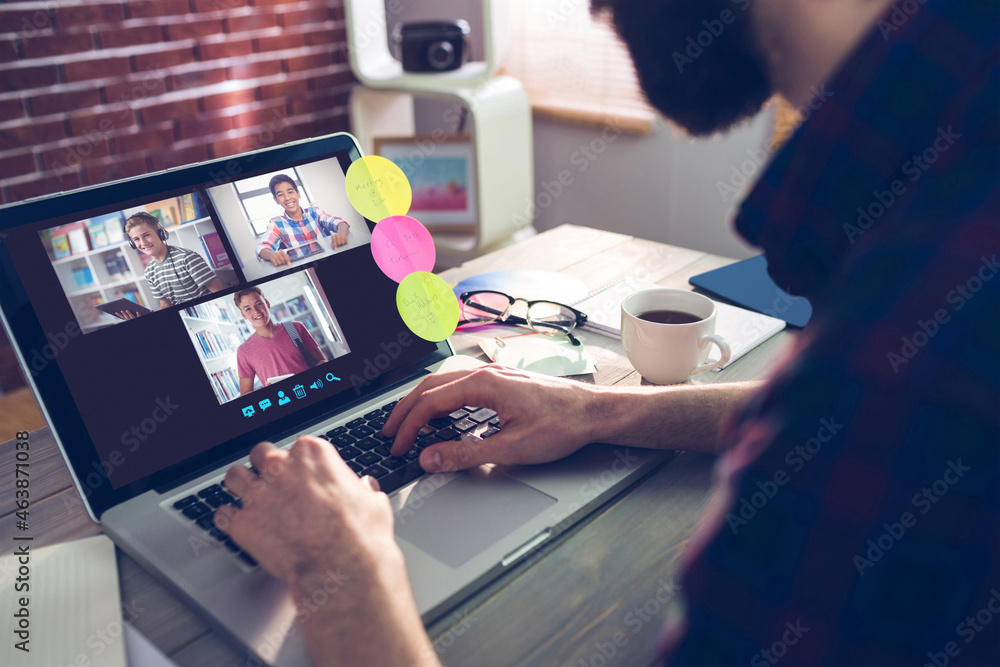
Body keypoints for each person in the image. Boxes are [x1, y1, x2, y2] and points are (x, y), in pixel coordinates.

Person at [214, 0, 999, 665]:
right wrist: (603, 411)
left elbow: (864, 411)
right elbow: (834, 425)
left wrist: (339, 574)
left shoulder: (907, 346)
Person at [118, 212, 225, 318]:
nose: (143, 243)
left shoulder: (186, 258)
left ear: (161, 234)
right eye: (136, 239)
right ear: (132, 243)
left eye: (146, 235)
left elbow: (220, 292)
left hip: (208, 314)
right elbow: (165, 304)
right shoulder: (149, 271)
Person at [234, 286, 326, 395]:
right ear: (243, 315)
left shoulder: (295, 328)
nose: (256, 311)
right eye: (248, 309)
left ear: (267, 303)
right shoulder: (244, 351)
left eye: (258, 303)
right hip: (282, 402)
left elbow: (323, 361)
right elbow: (245, 393)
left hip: (313, 391)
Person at [256, 174, 350, 266]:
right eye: (280, 195)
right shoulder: (276, 224)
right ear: (276, 200)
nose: (287, 198)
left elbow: (340, 223)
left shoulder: (314, 212)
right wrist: (273, 255)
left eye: (290, 192)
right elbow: (262, 248)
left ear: (298, 194)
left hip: (333, 260)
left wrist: (341, 234)